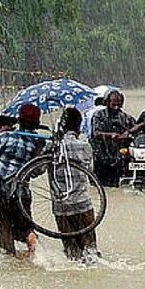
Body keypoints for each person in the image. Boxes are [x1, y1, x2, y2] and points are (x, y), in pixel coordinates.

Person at [0, 104, 44, 257]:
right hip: (21, 195)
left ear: (18, 120)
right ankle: (32, 245)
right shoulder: (37, 143)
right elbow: (37, 171)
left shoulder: (6, 137)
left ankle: (9, 263)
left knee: (4, 245)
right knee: (26, 230)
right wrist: (39, 151)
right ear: (37, 124)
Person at [54, 107, 100, 261]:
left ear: (62, 124)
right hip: (83, 204)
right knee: (91, 251)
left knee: (72, 255)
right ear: (79, 126)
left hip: (61, 207)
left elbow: (36, 170)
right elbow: (90, 171)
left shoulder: (52, 147)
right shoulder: (85, 145)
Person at [90, 90, 135, 187]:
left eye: (118, 104)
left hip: (119, 160)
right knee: (100, 186)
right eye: (113, 104)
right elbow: (96, 133)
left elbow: (136, 131)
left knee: (118, 187)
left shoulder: (126, 118)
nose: (116, 107)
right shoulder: (98, 115)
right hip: (101, 157)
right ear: (107, 102)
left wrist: (129, 134)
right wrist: (110, 135)